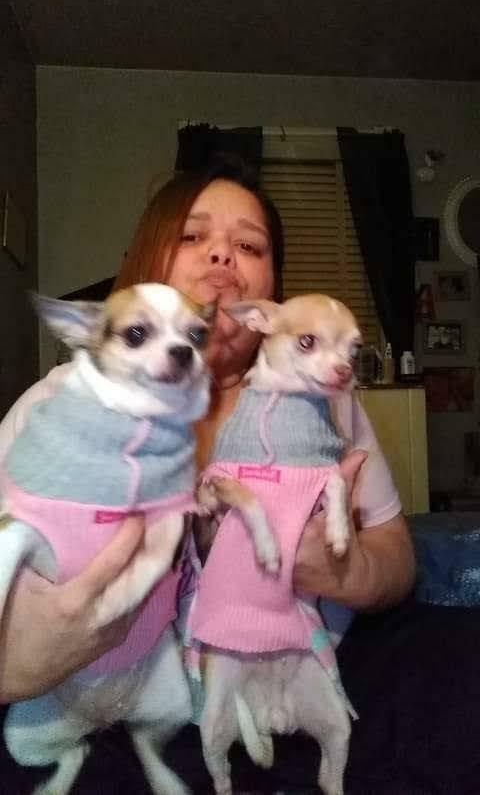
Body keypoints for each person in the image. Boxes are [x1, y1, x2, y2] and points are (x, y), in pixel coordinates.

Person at [0, 155, 415, 705]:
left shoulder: (327, 403)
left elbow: (396, 554)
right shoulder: (57, 407)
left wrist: (350, 573)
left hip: (285, 701)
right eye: (192, 236)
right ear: (147, 260)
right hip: (93, 715)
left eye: (250, 246)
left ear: (270, 299)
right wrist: (13, 669)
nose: (221, 254)